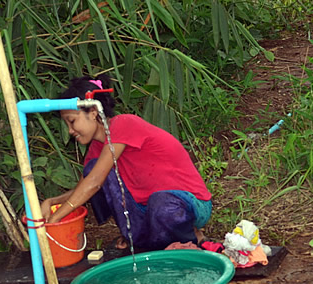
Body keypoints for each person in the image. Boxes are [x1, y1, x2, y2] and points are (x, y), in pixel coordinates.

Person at [40, 75, 212, 250]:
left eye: (72, 121)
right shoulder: (96, 149)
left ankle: (188, 239)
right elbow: (86, 186)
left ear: (92, 112)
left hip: (188, 203)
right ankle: (140, 239)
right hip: (148, 209)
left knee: (161, 203)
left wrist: (56, 218)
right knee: (92, 170)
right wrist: (53, 201)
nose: (70, 131)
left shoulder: (123, 124)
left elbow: (94, 183)